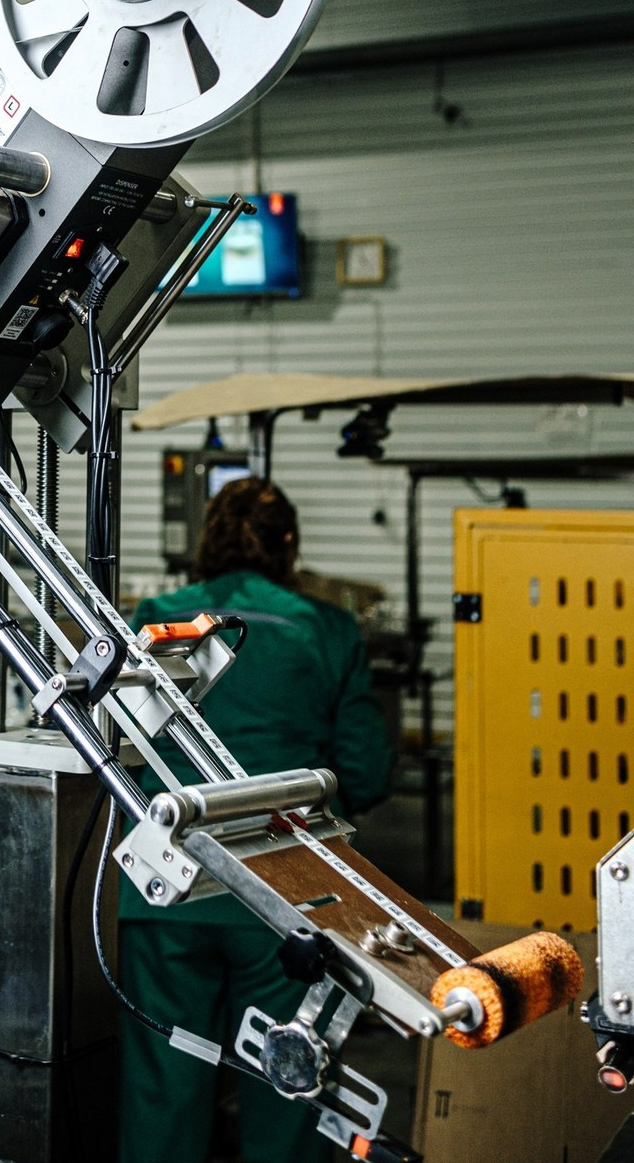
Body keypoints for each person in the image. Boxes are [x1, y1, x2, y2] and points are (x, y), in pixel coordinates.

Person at [119, 476, 394, 1163]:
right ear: (289, 544)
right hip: (284, 895)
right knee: (287, 1077)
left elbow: (117, 738)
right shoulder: (327, 628)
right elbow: (366, 771)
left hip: (167, 885)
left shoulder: (158, 615)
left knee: (164, 1085)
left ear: (207, 540)